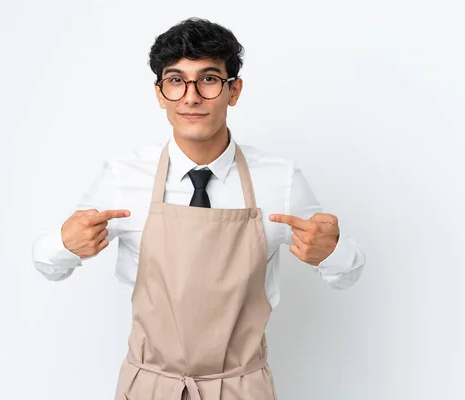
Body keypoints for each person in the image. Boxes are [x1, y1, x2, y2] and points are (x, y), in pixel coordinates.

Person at [32, 17, 366, 400]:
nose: (191, 97)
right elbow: (48, 266)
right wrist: (64, 244)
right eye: (176, 81)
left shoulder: (280, 181)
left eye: (208, 79)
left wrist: (333, 252)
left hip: (243, 388)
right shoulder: (122, 178)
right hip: (149, 387)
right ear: (160, 93)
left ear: (233, 90)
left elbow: (347, 274)